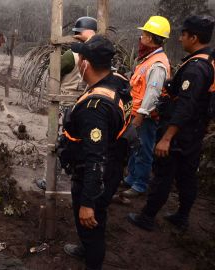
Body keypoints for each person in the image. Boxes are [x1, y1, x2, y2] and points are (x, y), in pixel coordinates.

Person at [128, 15, 215, 232]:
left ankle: (147, 217)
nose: (180, 39)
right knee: (187, 175)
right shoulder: (207, 61)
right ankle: (182, 216)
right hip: (194, 131)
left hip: (180, 132)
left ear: (194, 37)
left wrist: (167, 138)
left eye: (184, 35)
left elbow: (185, 106)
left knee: (163, 174)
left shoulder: (195, 69)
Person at [61, 35, 132, 270]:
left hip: (94, 176)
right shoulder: (118, 82)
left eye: (80, 56)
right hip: (112, 167)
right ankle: (86, 247)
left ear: (85, 64)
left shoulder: (95, 108)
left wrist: (88, 202)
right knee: (95, 223)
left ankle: (91, 259)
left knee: (90, 225)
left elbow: (95, 158)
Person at [36, 16, 98, 191]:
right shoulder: (98, 54)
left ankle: (49, 180)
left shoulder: (72, 55)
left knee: (55, 141)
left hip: (65, 104)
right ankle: (77, 177)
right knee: (80, 142)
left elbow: (53, 70)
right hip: (88, 103)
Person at [121, 16, 171, 198]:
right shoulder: (148, 59)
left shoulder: (157, 63)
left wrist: (141, 115)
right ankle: (131, 178)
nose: (140, 37)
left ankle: (139, 185)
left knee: (143, 149)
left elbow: (153, 92)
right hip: (136, 113)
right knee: (135, 147)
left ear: (150, 37)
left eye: (143, 34)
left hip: (146, 117)